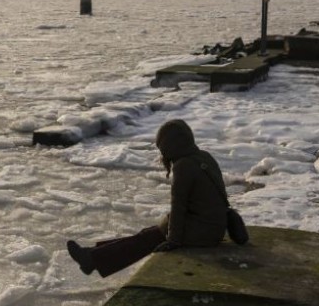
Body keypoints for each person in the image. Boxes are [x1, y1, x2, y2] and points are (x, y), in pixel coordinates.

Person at [67, 119, 229, 277]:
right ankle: (92, 256)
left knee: (149, 239)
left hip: (204, 233)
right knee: (147, 234)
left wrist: (173, 241)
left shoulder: (184, 166)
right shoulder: (204, 156)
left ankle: (91, 259)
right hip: (213, 227)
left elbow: (179, 207)